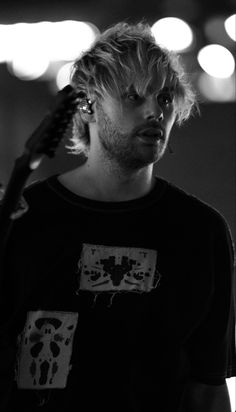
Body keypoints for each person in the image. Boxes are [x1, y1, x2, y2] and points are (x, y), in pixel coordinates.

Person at [0, 21, 235, 412]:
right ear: (88, 105)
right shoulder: (22, 220)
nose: (154, 112)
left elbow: (208, 388)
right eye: (132, 96)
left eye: (163, 99)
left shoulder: (201, 232)